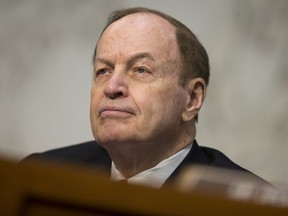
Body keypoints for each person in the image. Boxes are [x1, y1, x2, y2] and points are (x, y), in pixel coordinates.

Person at [24, 7, 268, 188]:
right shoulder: (41, 174)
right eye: (103, 71)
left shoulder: (244, 204)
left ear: (192, 99)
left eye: (141, 69)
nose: (112, 87)